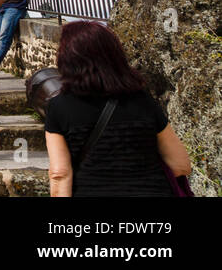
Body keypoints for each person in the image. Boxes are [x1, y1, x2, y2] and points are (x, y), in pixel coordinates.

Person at [45, 21, 191, 197]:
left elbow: (59, 174)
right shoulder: (142, 100)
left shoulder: (59, 107)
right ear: (114, 56)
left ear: (66, 59)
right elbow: (180, 165)